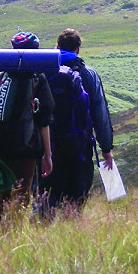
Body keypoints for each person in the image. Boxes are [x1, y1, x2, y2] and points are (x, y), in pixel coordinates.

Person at [0, 31, 54, 227]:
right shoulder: (37, 78)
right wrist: (47, 155)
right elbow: (44, 121)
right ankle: (12, 236)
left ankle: (4, 232)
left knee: (5, 194)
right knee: (21, 193)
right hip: (26, 148)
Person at [38, 28, 116, 218]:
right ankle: (70, 234)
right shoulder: (88, 74)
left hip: (48, 148)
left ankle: (42, 235)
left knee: (47, 199)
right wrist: (106, 148)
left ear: (57, 47)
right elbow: (100, 114)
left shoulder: (43, 72)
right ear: (78, 49)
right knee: (75, 199)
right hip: (79, 148)